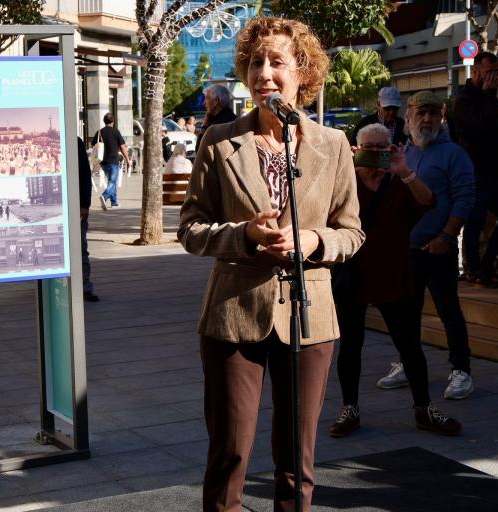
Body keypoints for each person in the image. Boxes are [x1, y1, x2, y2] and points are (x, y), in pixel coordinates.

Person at [178, 17, 364, 511]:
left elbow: (351, 232)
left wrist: (312, 241)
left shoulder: (333, 144)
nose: (264, 73)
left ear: (301, 72)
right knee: (230, 456)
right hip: (234, 314)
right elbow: (191, 228)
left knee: (297, 463)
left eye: (277, 62)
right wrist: (244, 234)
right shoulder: (219, 140)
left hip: (310, 318)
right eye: (256, 62)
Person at [330, 123, 461, 438]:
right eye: (368, 147)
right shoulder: (344, 181)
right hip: (353, 275)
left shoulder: (400, 182)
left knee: (410, 346)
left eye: (381, 148)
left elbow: (430, 202)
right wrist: (344, 167)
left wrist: (404, 170)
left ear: (392, 150)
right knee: (350, 346)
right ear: (357, 148)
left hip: (395, 274)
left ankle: (423, 408)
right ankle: (349, 408)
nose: (375, 153)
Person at [377, 91, 476, 400]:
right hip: (408, 250)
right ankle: (408, 363)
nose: (427, 119)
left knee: (449, 312)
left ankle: (461, 370)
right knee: (408, 312)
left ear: (442, 116)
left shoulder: (453, 154)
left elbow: (466, 198)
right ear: (410, 117)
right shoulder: (406, 152)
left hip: (439, 249)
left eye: (433, 113)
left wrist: (446, 237)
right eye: (421, 113)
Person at [453, 51, 498, 288]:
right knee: (475, 222)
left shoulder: (487, 97)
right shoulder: (464, 100)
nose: (492, 78)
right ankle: (473, 269)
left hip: (496, 172)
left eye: (495, 73)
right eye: (488, 73)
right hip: (477, 172)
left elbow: (496, 129)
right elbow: (484, 127)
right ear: (475, 72)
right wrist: (488, 96)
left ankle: (486, 264)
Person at [91, 113, 129, 210]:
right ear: (113, 121)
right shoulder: (116, 132)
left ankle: (114, 202)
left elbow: (93, 145)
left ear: (104, 121)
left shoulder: (99, 132)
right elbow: (122, 147)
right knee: (113, 181)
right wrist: (127, 159)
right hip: (113, 160)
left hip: (103, 161)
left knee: (112, 181)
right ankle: (104, 196)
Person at [78, 136, 98, 302]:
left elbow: (85, 176)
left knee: (81, 249)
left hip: (77, 208)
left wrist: (85, 204)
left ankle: (85, 286)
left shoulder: (75, 142)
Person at [196, 83, 237, 152]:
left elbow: (199, 151)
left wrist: (205, 125)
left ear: (216, 101)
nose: (204, 103)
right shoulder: (234, 119)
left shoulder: (216, 127)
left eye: (206, 98)